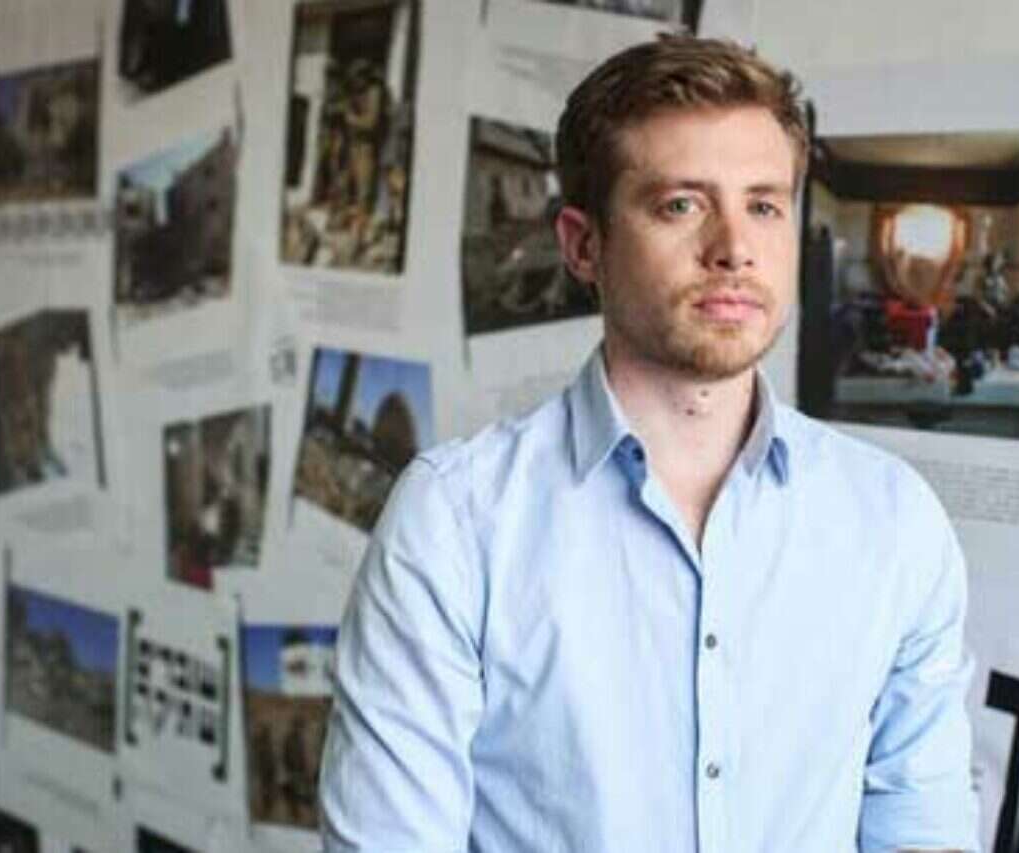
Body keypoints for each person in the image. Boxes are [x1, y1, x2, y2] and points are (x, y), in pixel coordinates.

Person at [319, 35, 977, 853]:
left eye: (764, 205)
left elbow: (922, 828)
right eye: (681, 205)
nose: (734, 247)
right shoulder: (454, 522)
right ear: (582, 245)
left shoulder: (895, 519)